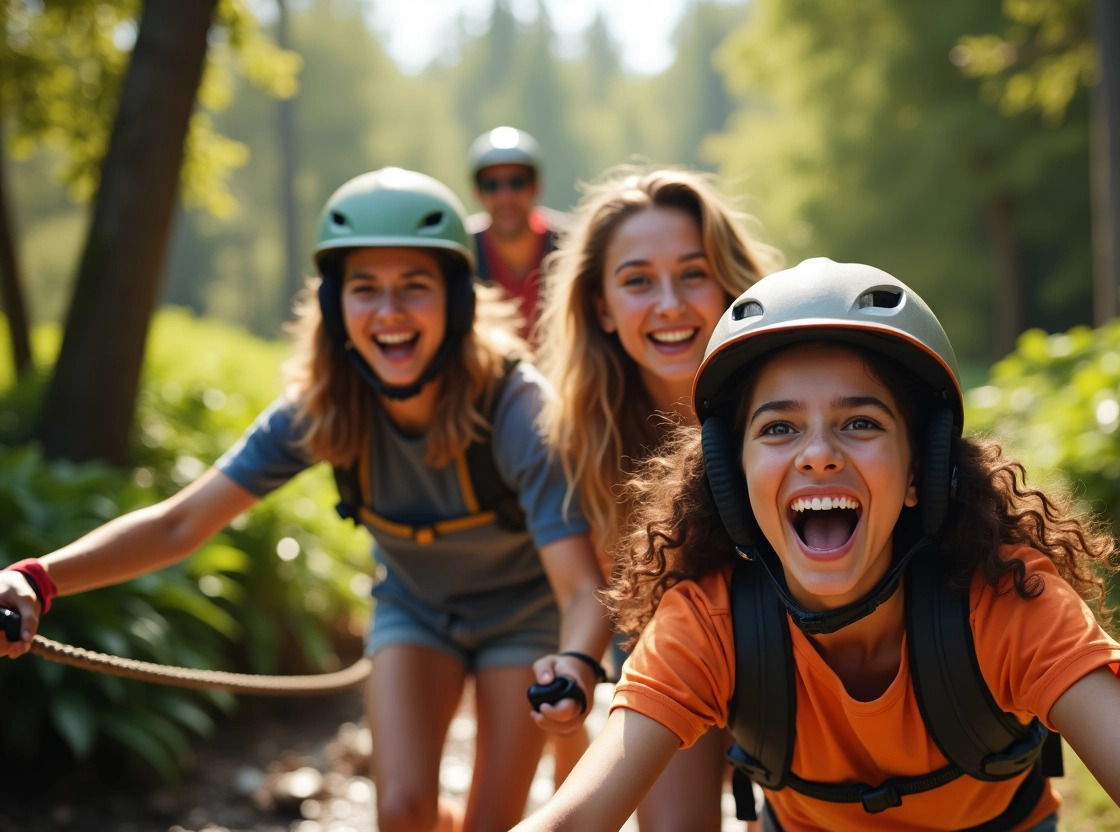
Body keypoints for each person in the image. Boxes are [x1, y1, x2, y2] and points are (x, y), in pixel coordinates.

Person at [0, 168, 611, 832]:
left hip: (522, 618)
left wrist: (577, 667)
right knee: (401, 815)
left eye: (415, 287)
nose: (389, 312)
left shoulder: (520, 410)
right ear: (333, 306)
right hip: (416, 612)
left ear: (458, 301)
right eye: (365, 290)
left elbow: (581, 587)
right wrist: (37, 580)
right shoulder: (321, 407)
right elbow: (181, 524)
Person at [514, 258, 1120, 831]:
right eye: (779, 429)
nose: (818, 455)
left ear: (918, 473)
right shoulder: (708, 622)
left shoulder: (1005, 600)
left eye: (860, 424)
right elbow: (572, 822)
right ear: (734, 481)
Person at [534, 165, 780, 827]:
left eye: (693, 274)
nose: (669, 303)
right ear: (601, 309)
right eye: (638, 280)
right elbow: (592, 589)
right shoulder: (578, 433)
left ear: (729, 283)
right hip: (665, 655)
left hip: (800, 647)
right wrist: (578, 663)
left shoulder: (788, 400)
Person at [466, 126, 566, 342]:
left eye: (517, 182)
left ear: (536, 187)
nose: (505, 197)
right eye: (491, 185)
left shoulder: (571, 247)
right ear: (477, 193)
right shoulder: (462, 252)